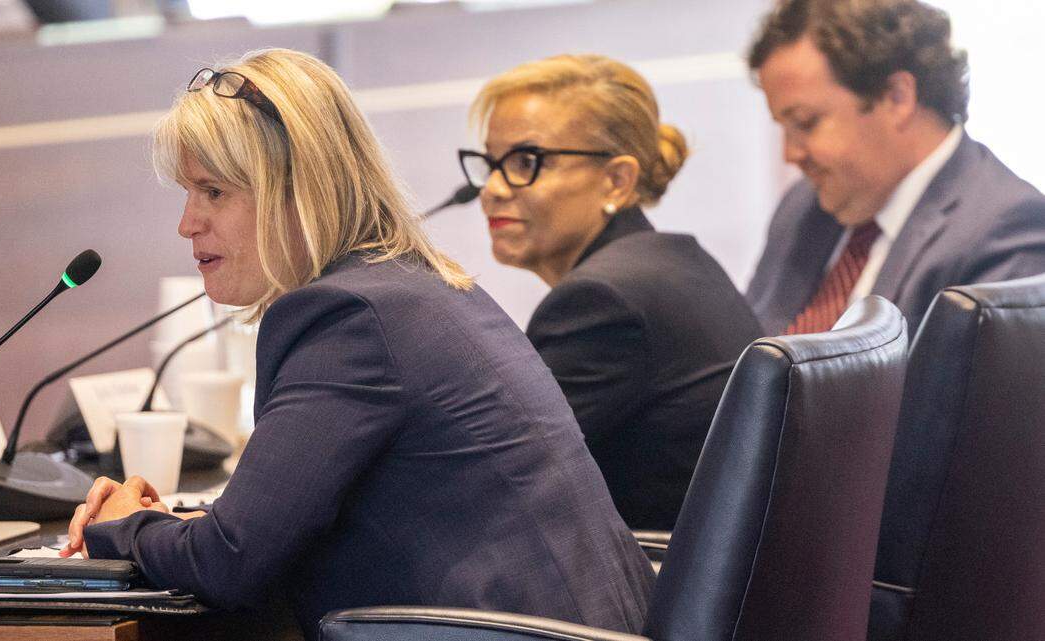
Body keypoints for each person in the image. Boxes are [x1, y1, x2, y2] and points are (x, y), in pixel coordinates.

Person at [59, 48, 653, 639]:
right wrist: (173, 526)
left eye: (213, 191)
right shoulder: (415, 286)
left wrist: (124, 525)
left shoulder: (348, 318)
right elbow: (276, 527)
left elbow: (229, 564)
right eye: (188, 193)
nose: (188, 223)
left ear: (300, 191)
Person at [461, 55, 762, 531]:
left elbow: (485, 482)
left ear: (617, 181)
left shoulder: (600, 303)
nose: (492, 190)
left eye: (525, 162)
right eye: (491, 163)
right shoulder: (673, 263)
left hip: (656, 575)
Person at [746, 0, 1045, 338]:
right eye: (783, 127)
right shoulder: (801, 207)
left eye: (805, 122)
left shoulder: (1008, 228)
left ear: (897, 97)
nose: (790, 154)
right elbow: (750, 351)